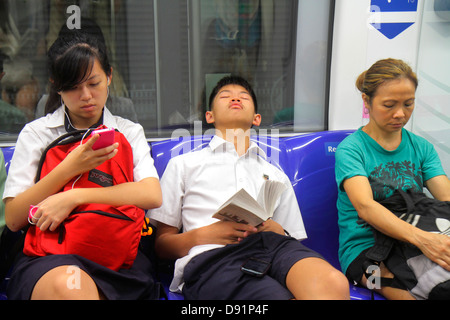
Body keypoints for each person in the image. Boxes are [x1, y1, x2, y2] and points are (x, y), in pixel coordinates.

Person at [150, 75, 350, 300]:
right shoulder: (184, 164)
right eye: (225, 96)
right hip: (213, 257)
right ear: (209, 116)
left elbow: (290, 239)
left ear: (256, 118)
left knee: (334, 284)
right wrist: (206, 234)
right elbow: (162, 246)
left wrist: (276, 229)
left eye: (243, 96)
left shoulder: (275, 174)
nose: (235, 98)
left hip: (273, 248)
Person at [3, 31, 162, 300]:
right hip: (51, 255)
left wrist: (74, 196)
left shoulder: (128, 131)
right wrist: (69, 167)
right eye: (74, 87)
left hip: (117, 255)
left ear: (109, 76)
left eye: (94, 83)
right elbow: (14, 217)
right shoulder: (38, 134)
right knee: (71, 286)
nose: (86, 96)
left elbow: (151, 194)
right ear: (56, 86)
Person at [335, 58, 450, 300]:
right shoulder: (352, 150)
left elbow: (446, 197)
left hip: (416, 235)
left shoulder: (421, 147)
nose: (400, 114)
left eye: (409, 104)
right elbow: (366, 207)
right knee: (409, 292)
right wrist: (425, 241)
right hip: (365, 252)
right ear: (367, 101)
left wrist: (429, 240)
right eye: (389, 105)